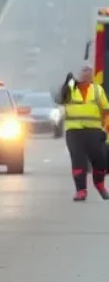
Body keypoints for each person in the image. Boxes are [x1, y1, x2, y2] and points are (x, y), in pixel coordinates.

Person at [57, 64, 109, 201]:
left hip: (94, 131)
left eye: (89, 71)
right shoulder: (70, 89)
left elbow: (106, 112)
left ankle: (100, 185)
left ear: (92, 75)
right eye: (84, 71)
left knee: (100, 161)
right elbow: (59, 99)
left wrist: (106, 129)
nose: (86, 73)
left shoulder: (97, 90)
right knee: (78, 161)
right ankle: (81, 191)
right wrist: (64, 86)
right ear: (78, 74)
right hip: (74, 131)